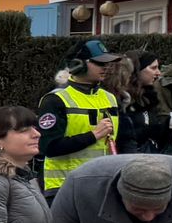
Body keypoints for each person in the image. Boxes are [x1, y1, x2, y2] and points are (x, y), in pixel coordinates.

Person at [37, 37, 120, 195]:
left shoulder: (110, 98)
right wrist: (93, 135)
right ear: (78, 64)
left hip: (102, 186)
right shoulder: (55, 100)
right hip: (64, 187)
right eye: (99, 63)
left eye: (107, 63)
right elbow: (49, 147)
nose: (106, 67)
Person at [107, 50, 169, 153]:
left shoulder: (149, 97)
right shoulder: (122, 99)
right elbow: (125, 136)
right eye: (153, 68)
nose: (158, 73)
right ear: (137, 70)